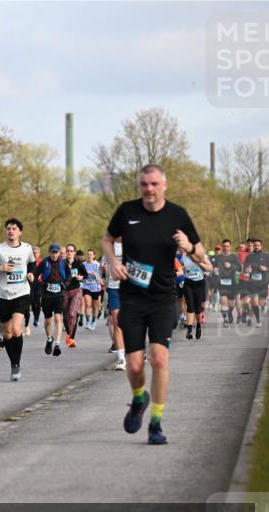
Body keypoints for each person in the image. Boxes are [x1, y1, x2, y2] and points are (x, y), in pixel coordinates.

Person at [102, 164, 204, 445]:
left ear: (164, 185)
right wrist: (113, 263)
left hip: (162, 299)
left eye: (154, 184)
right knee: (135, 366)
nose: (149, 189)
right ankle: (139, 399)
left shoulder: (177, 215)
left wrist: (190, 247)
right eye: (144, 184)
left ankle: (156, 424)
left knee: (159, 359)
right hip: (132, 299)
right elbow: (107, 240)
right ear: (140, 186)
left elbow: (203, 256)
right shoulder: (126, 211)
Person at [0, 219, 36, 381]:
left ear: (20, 232)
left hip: (21, 293)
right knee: (7, 332)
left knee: (17, 329)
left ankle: (16, 365)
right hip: (3, 295)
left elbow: (32, 263)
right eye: (8, 229)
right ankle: (13, 364)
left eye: (14, 229)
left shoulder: (27, 249)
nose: (11, 231)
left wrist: (31, 273)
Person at [34, 243, 68, 357]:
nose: (54, 255)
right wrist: (41, 284)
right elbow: (34, 275)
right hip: (47, 295)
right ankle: (49, 339)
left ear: (59, 253)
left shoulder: (63, 263)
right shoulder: (44, 262)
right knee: (48, 321)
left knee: (58, 318)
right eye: (52, 252)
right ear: (49, 253)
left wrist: (66, 284)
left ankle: (57, 344)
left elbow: (69, 276)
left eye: (56, 252)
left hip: (58, 294)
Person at [101, 240, 126, 370]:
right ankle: (121, 359)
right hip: (113, 287)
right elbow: (102, 266)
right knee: (116, 320)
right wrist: (103, 271)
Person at [181, 248, 212, 339]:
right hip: (188, 283)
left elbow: (210, 268)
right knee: (190, 305)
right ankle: (189, 330)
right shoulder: (183, 256)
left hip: (199, 284)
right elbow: (180, 268)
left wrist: (199, 263)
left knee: (198, 308)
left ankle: (198, 325)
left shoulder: (201, 255)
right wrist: (182, 268)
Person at [61, 244, 88, 347]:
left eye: (71, 251)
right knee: (66, 315)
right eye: (67, 250)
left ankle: (72, 338)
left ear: (74, 252)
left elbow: (85, 275)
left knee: (72, 313)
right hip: (64, 291)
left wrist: (81, 277)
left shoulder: (78, 264)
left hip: (76, 290)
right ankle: (69, 334)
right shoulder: (62, 264)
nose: (69, 252)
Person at [215, 239, 241, 327]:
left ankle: (229, 312)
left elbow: (240, 269)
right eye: (224, 246)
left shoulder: (234, 257)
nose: (226, 248)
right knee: (223, 301)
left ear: (230, 247)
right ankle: (225, 320)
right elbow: (213, 267)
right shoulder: (218, 257)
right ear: (222, 247)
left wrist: (231, 266)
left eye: (227, 246)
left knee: (231, 304)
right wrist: (214, 269)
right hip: (221, 283)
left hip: (232, 283)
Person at [244, 238, 269, 326]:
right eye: (255, 245)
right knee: (254, 302)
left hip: (263, 282)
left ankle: (264, 305)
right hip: (253, 282)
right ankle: (258, 320)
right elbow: (245, 269)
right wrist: (247, 270)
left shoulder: (266, 256)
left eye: (258, 245)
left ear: (261, 246)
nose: (256, 247)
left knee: (261, 302)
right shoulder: (249, 257)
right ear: (253, 246)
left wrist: (265, 269)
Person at [82, 249, 103, 330]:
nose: (89, 256)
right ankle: (87, 321)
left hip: (95, 287)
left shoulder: (97, 265)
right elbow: (81, 274)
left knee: (95, 306)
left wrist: (95, 274)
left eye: (90, 254)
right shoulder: (83, 264)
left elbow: (101, 276)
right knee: (87, 304)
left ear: (94, 256)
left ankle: (93, 321)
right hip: (86, 285)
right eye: (88, 254)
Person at [26, 246, 43, 336]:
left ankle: (36, 317)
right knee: (32, 300)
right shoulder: (28, 262)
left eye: (36, 252)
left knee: (38, 300)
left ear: (39, 254)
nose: (35, 254)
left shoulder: (42, 262)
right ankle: (35, 317)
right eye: (33, 252)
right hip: (30, 284)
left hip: (39, 284)